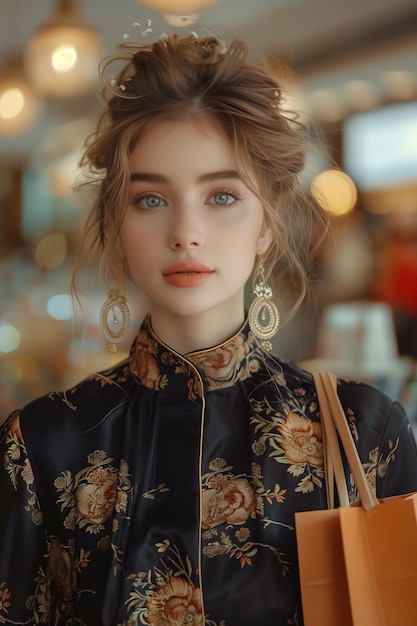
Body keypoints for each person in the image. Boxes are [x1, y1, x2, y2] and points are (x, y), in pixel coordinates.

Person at [1, 32, 417, 626]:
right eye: (150, 200)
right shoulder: (42, 443)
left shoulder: (364, 435)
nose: (186, 231)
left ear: (267, 223)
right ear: (117, 222)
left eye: (221, 195)